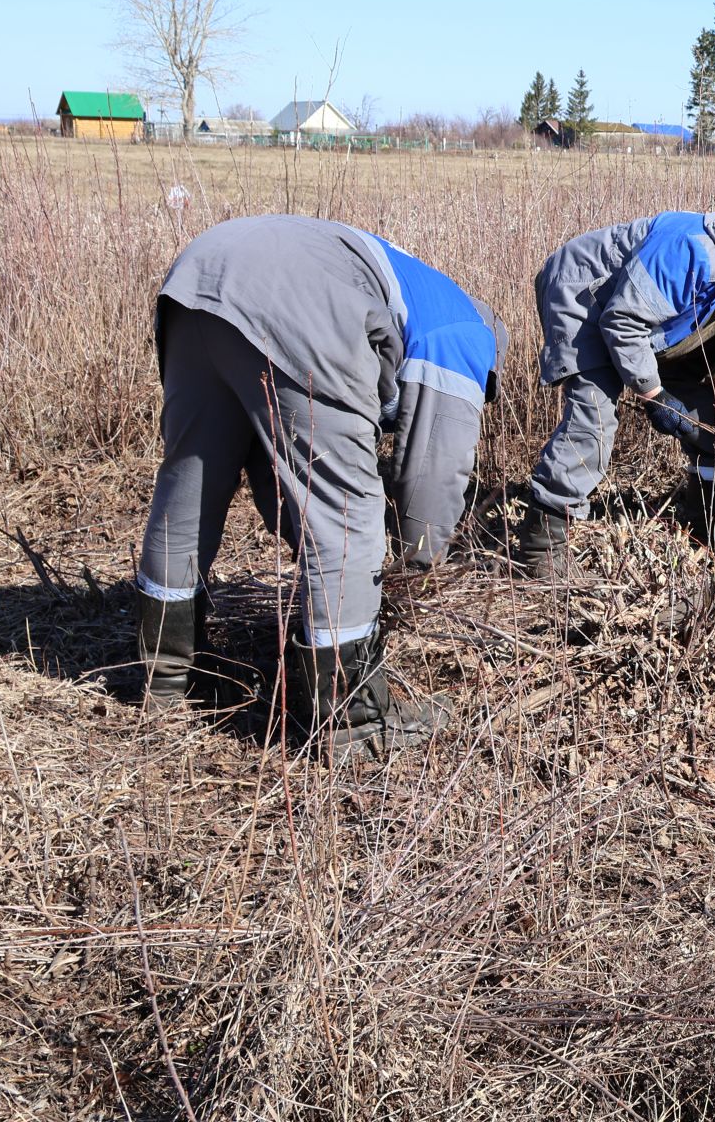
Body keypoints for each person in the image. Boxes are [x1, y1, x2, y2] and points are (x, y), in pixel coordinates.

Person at [135, 215, 505, 762]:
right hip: (292, 299)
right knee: (348, 512)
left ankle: (165, 679)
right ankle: (353, 722)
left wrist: (320, 561)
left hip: (198, 281)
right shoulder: (465, 333)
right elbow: (431, 479)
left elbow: (277, 477)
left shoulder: (414, 292)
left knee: (191, 484)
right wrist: (405, 570)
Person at [515, 213, 715, 576]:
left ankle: (710, 524)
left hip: (658, 326)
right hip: (587, 295)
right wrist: (654, 394)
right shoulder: (694, 252)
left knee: (714, 427)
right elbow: (621, 320)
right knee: (594, 418)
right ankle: (541, 545)